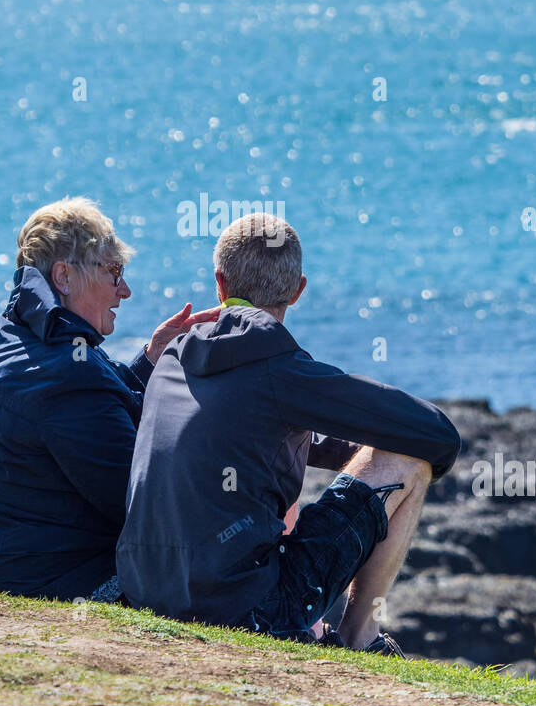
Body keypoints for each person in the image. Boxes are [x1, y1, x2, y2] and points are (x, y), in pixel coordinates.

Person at [117, 212, 461, 655]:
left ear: (220, 284)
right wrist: (383, 452)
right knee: (409, 461)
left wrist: (345, 449)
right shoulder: (281, 369)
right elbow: (437, 434)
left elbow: (255, 429)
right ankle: (360, 638)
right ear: (298, 290)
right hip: (245, 611)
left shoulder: (172, 356)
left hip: (145, 592)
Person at [0, 197, 217, 602]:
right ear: (64, 276)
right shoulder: (67, 371)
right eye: (114, 271)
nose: (126, 290)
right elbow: (143, 512)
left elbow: (88, 413)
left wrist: (153, 360)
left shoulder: (8, 333)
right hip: (36, 578)